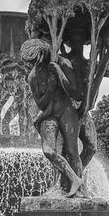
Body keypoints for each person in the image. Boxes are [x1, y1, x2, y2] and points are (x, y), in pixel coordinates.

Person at [21, 38, 85, 197]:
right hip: (48, 114)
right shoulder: (32, 76)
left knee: (72, 151)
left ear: (43, 53)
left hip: (66, 111)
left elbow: (73, 92)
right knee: (48, 151)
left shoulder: (62, 63)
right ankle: (75, 179)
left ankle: (79, 191)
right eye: (31, 63)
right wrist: (49, 90)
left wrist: (58, 71)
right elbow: (40, 104)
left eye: (36, 60)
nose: (35, 65)